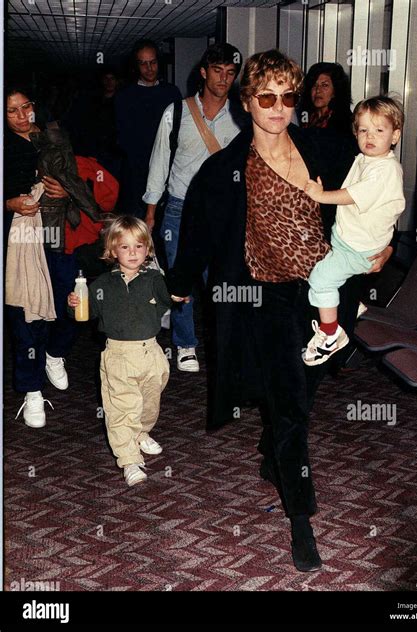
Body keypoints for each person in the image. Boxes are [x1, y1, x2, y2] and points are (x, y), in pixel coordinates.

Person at [166, 49, 370, 572]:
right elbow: (199, 235)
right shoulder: (223, 170)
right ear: (246, 102)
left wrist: (382, 247)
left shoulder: (325, 146)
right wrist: (180, 284)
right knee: (289, 405)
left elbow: (372, 191)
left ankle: (270, 447)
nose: (278, 107)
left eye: (287, 97)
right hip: (265, 298)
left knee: (310, 384)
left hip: (325, 290)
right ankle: (302, 520)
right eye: (266, 97)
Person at [143, 43, 244, 373]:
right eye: (217, 71)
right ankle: (185, 344)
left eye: (230, 73)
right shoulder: (177, 112)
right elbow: (159, 162)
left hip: (223, 212)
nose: (223, 79)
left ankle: (223, 343)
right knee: (180, 279)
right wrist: (150, 212)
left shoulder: (242, 115)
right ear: (203, 72)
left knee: (222, 280)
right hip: (180, 208)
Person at [67, 217, 171, 487]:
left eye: (139, 246)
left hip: (152, 353)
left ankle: (141, 432)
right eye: (125, 247)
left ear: (148, 249)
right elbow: (85, 314)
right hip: (119, 356)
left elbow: (165, 303)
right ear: (112, 251)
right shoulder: (102, 284)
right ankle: (129, 459)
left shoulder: (154, 279)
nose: (133, 252)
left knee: (149, 404)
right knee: (121, 409)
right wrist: (74, 304)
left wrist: (177, 296)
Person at [303, 96, 405, 365]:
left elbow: (353, 195)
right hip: (349, 240)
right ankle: (349, 306)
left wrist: (321, 195)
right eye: (363, 130)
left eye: (379, 130)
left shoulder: (385, 169)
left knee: (321, 279)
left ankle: (330, 333)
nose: (369, 137)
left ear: (395, 136)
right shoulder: (364, 159)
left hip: (358, 248)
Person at [4, 87, 81, 428]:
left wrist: (67, 188)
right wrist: (10, 204)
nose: (22, 116)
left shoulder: (55, 136)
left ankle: (56, 353)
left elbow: (80, 177)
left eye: (26, 107)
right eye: (12, 111)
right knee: (26, 310)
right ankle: (32, 389)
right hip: (20, 236)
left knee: (72, 300)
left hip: (58, 232)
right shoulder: (6, 147)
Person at [115, 39, 181, 219]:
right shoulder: (125, 96)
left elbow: (177, 132)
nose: (149, 68)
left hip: (167, 170)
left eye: (152, 62)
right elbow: (122, 138)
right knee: (136, 223)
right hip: (136, 172)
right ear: (136, 66)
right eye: (143, 63)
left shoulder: (172, 93)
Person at [298, 61, 353, 137]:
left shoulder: (345, 122)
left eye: (324, 85)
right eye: (314, 85)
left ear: (335, 91)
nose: (318, 90)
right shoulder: (303, 116)